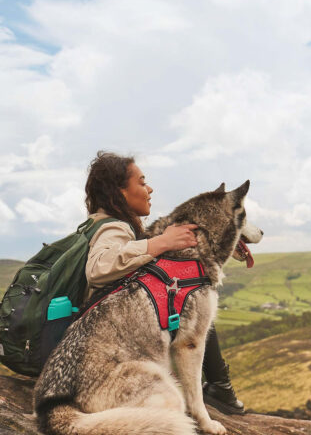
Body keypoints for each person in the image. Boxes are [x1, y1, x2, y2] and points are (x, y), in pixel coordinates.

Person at [83, 150, 245, 415]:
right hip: (108, 350)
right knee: (194, 296)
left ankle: (218, 387)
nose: (150, 188)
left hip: (109, 344)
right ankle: (220, 387)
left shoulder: (97, 224)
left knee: (190, 298)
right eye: (142, 182)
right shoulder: (114, 228)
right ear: (120, 192)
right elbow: (98, 269)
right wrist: (162, 242)